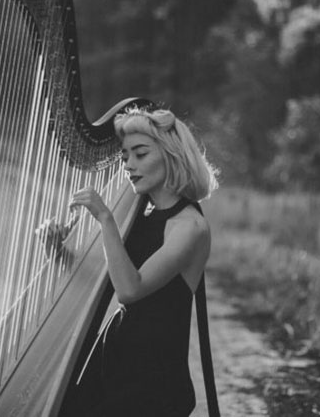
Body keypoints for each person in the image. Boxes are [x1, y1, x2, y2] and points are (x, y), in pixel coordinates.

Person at [63, 107, 218, 417]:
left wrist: (105, 218)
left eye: (140, 154)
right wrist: (58, 250)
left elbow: (130, 290)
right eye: (124, 157)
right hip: (117, 356)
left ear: (171, 155)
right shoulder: (140, 214)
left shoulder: (188, 226)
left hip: (152, 375)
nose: (129, 165)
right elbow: (102, 277)